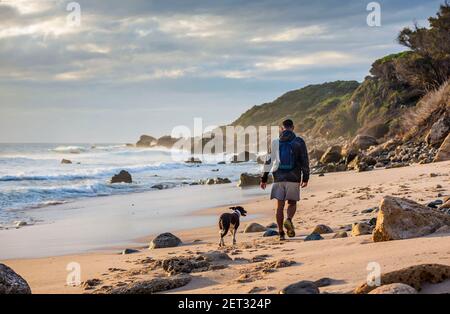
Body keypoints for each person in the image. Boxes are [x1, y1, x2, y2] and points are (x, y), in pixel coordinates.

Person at [260, 119, 310, 240]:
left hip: (278, 178)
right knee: (292, 203)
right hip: (294, 177)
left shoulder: (275, 142)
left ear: (282, 128)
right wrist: (306, 177)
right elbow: (304, 160)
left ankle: (281, 233)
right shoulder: (299, 142)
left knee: (279, 207)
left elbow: (269, 161)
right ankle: (288, 220)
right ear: (293, 127)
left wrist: (264, 178)